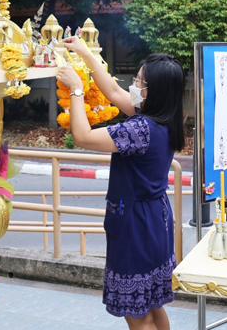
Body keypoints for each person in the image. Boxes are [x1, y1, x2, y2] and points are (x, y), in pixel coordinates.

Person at [57, 37, 185, 330]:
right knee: (153, 303)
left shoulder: (139, 129)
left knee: (138, 318)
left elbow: (84, 137)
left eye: (139, 81)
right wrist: (87, 54)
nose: (133, 85)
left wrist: (77, 89)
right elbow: (113, 90)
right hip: (156, 220)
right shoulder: (164, 119)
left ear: (154, 92)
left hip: (135, 226)